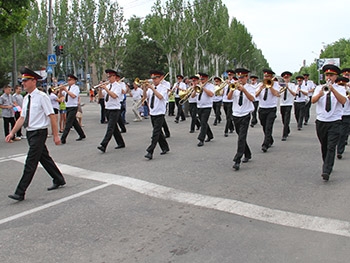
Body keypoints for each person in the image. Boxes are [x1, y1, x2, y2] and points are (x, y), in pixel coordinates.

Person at [6, 67, 66, 201]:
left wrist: (56, 135)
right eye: (22, 81)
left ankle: (20, 192)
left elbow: (52, 116)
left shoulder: (42, 97)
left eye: (26, 80)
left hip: (39, 132)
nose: (23, 83)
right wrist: (12, 133)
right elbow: (22, 118)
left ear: (34, 81)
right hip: (30, 133)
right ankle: (58, 178)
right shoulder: (26, 98)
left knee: (30, 162)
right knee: (44, 158)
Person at [311, 64, 346, 181]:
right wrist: (320, 93)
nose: (329, 77)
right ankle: (327, 162)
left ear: (336, 76)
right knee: (324, 146)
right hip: (321, 121)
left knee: (331, 146)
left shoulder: (341, 88)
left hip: (335, 121)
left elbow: (343, 101)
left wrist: (333, 89)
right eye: (327, 75)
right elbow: (313, 101)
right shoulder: (319, 88)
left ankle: (326, 170)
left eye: (331, 75)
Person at [227, 68, 255, 171]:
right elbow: (229, 98)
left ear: (246, 77)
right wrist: (232, 89)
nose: (240, 79)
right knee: (240, 136)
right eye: (239, 77)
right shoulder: (234, 86)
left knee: (241, 137)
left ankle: (237, 160)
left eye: (242, 77)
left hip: (245, 114)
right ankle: (247, 153)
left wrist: (244, 90)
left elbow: (252, 99)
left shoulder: (250, 88)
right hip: (236, 114)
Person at [97, 69, 125, 153]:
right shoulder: (108, 86)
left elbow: (114, 95)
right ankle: (121, 143)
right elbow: (102, 96)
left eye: (110, 76)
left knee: (110, 128)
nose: (108, 78)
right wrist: (100, 89)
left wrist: (106, 88)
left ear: (114, 76)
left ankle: (103, 145)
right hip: (108, 108)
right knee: (114, 128)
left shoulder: (118, 86)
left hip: (115, 109)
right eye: (108, 76)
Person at [143, 70, 170, 160]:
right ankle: (165, 147)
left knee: (155, 133)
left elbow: (160, 97)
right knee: (159, 133)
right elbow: (145, 97)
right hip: (153, 112)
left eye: (155, 78)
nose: (154, 80)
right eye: (153, 78)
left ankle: (150, 151)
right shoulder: (151, 89)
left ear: (159, 79)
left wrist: (152, 88)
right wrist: (144, 89)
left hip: (160, 112)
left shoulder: (163, 88)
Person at [255, 69, 280, 152]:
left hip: (271, 108)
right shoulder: (260, 84)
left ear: (271, 77)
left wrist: (270, 86)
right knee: (264, 125)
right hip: (262, 108)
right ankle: (270, 139)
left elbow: (276, 94)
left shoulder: (275, 84)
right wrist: (261, 88)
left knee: (269, 126)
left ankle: (265, 145)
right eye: (265, 76)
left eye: (268, 76)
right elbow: (255, 95)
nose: (266, 77)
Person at [59, 74, 86, 144]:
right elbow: (61, 96)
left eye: (70, 80)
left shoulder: (76, 88)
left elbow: (73, 96)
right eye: (68, 80)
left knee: (68, 123)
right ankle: (82, 134)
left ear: (74, 81)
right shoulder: (67, 87)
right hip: (67, 106)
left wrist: (65, 90)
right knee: (74, 122)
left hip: (73, 107)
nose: (68, 81)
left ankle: (63, 139)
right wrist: (60, 90)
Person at [193, 72, 214, 146]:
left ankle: (201, 139)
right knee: (203, 122)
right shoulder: (198, 86)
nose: (202, 80)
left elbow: (211, 94)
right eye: (201, 79)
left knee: (203, 122)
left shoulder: (210, 86)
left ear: (207, 79)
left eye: (203, 79)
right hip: (199, 106)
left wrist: (203, 88)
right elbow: (193, 96)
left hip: (207, 106)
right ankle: (210, 135)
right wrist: (194, 88)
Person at [279, 71, 296, 141]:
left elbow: (294, 94)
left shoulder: (292, 85)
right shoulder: (280, 85)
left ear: (289, 78)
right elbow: (278, 93)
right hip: (282, 103)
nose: (286, 79)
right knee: (283, 119)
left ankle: (284, 135)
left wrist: (288, 88)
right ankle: (287, 129)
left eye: (287, 77)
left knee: (286, 119)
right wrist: (282, 88)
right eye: (285, 77)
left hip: (289, 104)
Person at [336, 75, 350, 159]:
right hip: (336, 115)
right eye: (340, 85)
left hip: (346, 114)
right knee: (335, 133)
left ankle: (339, 151)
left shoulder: (348, 91)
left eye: (343, 85)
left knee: (343, 134)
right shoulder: (335, 91)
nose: (342, 86)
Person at [222, 69, 235, 137]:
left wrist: (230, 84)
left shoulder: (234, 83)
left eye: (230, 75)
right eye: (228, 75)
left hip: (231, 101)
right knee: (228, 115)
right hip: (225, 101)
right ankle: (232, 127)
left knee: (228, 117)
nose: (229, 76)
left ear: (233, 75)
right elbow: (223, 92)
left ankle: (226, 131)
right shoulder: (225, 83)